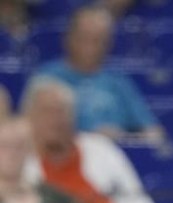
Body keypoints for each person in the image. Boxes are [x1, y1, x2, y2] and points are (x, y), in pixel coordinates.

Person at [21, 77, 156, 203]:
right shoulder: (19, 162)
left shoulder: (102, 149)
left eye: (60, 112)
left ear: (73, 117)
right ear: (30, 118)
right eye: (46, 112)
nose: (54, 120)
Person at [34, 5, 163, 142]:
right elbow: (30, 128)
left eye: (98, 40)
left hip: (113, 157)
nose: (90, 47)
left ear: (108, 44)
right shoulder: (46, 78)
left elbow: (154, 133)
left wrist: (121, 137)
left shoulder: (118, 81)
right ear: (68, 38)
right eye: (84, 37)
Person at [0, 117, 83, 203]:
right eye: (4, 146)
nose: (12, 154)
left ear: (29, 150)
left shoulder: (59, 201)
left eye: (19, 146)